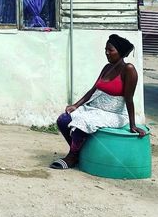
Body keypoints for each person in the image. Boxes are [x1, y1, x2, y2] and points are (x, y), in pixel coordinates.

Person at [51, 34, 145, 170]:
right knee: (63, 120)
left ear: (120, 52)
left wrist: (133, 125)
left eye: (110, 50)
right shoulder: (107, 68)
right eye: (105, 49)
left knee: (82, 123)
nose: (107, 53)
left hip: (114, 113)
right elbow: (93, 90)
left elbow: (129, 99)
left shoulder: (128, 69)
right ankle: (78, 152)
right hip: (94, 109)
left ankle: (72, 157)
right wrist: (75, 105)